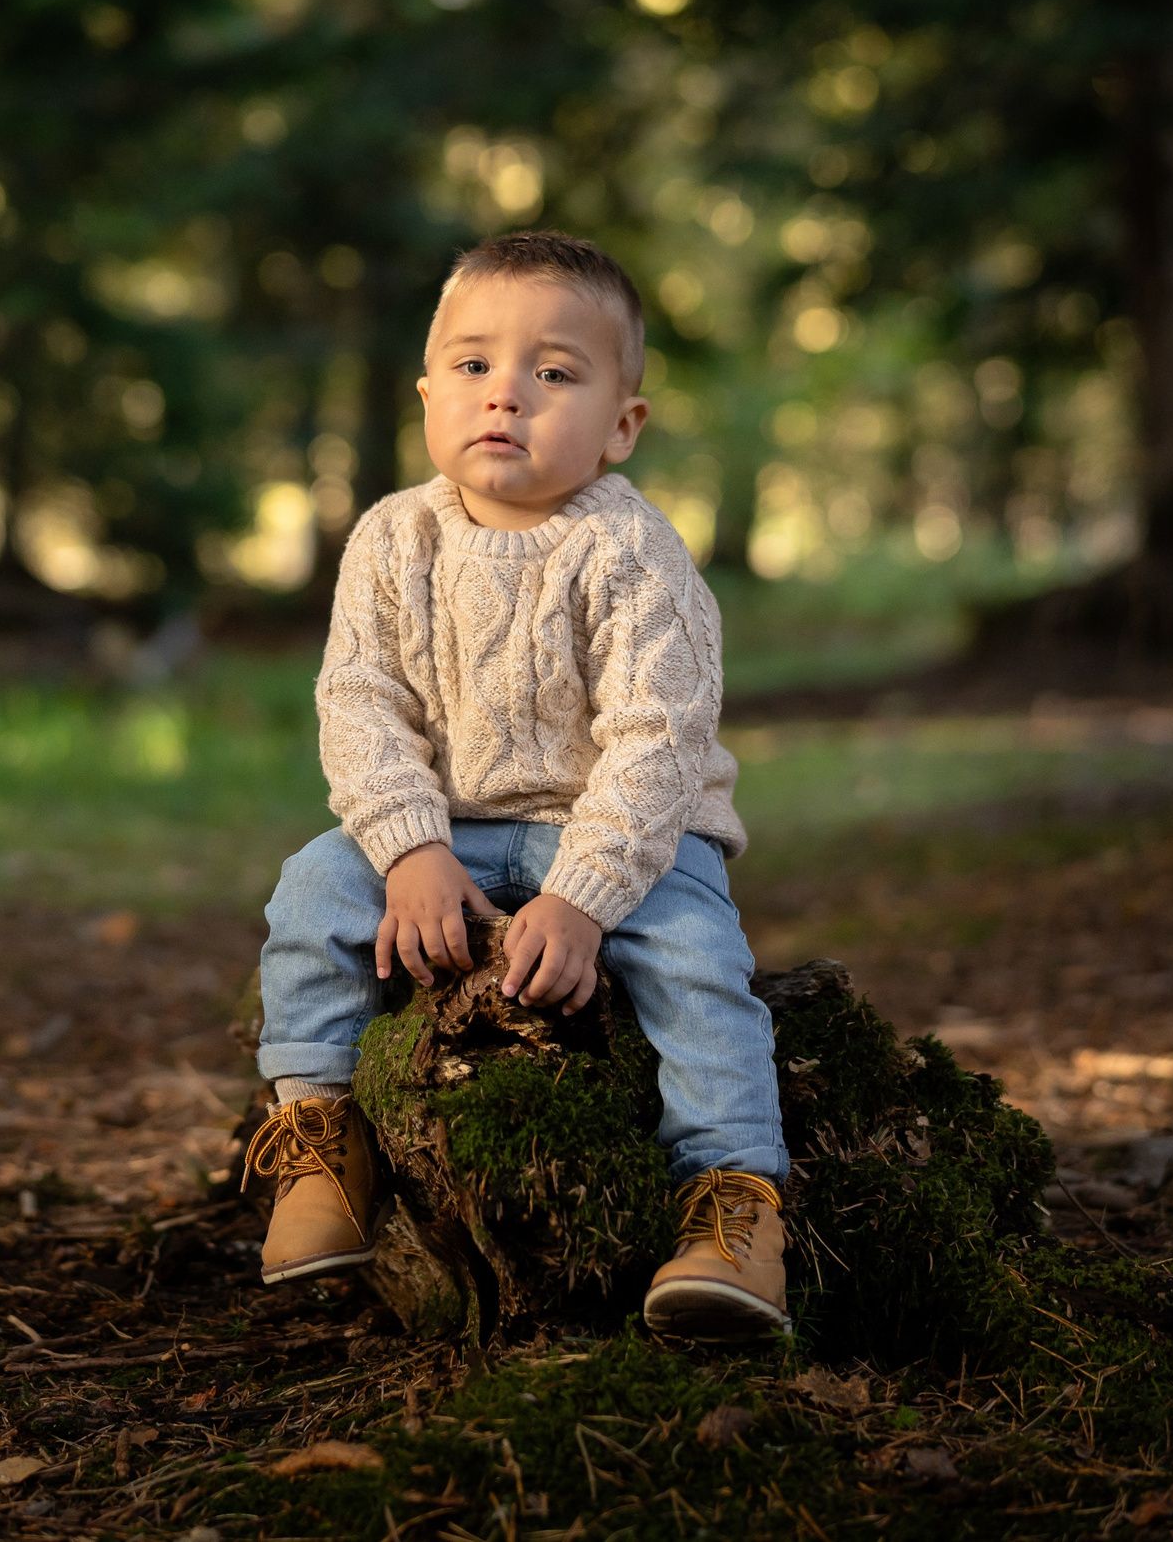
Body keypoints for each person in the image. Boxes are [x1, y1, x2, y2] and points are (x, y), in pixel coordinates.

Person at [244, 230, 789, 1342]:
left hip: (625, 834)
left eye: (553, 371)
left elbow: (656, 743)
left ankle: (733, 1203)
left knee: (699, 965)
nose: (506, 394)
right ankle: (319, 1138)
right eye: (473, 363)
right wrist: (409, 849)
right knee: (310, 893)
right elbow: (359, 704)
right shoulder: (392, 538)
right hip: (445, 826)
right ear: (428, 393)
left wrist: (584, 898)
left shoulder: (633, 553)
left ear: (622, 425)